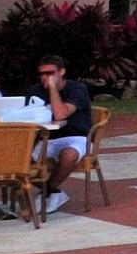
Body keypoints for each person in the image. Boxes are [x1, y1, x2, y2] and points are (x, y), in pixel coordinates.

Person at [35, 56, 96, 215]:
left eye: (50, 73)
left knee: (69, 155)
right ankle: (52, 192)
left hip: (78, 136)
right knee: (18, 158)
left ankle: (48, 190)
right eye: (42, 73)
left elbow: (61, 114)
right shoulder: (35, 91)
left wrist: (53, 89)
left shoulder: (77, 89)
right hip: (47, 138)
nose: (45, 77)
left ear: (61, 72)